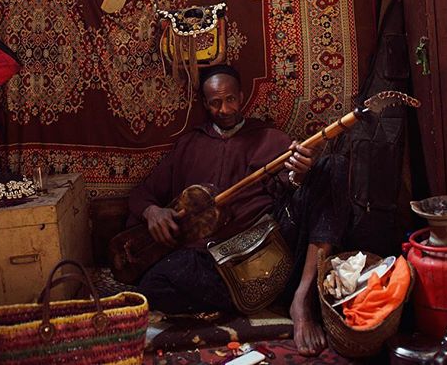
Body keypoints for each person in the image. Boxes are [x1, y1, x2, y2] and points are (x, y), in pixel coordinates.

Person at [127, 64, 350, 356]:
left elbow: (294, 186)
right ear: (205, 105)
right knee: (152, 287)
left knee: (332, 168)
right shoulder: (190, 144)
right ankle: (255, 297)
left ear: (242, 96)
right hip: (210, 258)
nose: (224, 108)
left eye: (230, 99)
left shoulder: (270, 138)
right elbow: (140, 194)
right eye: (216, 103)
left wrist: (299, 173)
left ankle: (301, 298)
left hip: (270, 241)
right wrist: (152, 212)